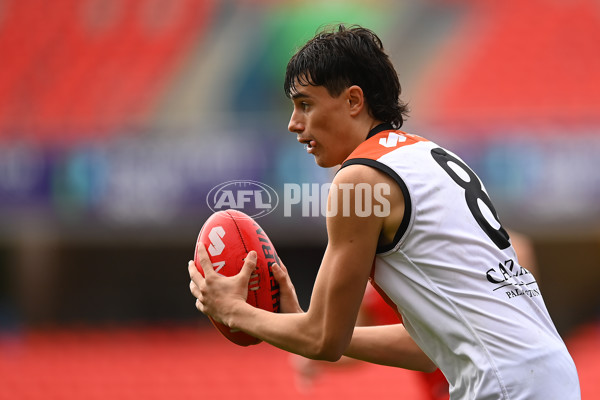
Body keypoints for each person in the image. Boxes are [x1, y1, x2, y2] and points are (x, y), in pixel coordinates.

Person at [189, 25, 580, 399]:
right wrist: (297, 318)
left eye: (305, 104)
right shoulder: (426, 154)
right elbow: (426, 350)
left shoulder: (360, 178)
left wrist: (234, 311)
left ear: (354, 101)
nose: (294, 124)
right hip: (544, 374)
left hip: (506, 384)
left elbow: (323, 339)